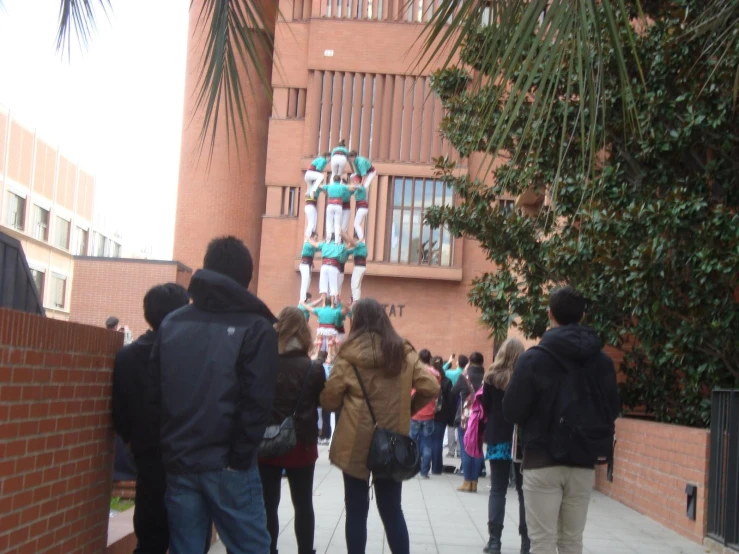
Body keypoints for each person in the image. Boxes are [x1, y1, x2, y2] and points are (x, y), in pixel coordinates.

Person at [148, 236, 278, 554]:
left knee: (185, 547)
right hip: (228, 465)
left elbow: (154, 395)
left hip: (180, 459)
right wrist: (239, 458)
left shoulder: (172, 324)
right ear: (245, 280)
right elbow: (257, 402)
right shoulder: (256, 327)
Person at [503, 286, 620, 554]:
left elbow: (512, 411)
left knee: (542, 542)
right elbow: (612, 407)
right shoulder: (602, 362)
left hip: (542, 460)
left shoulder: (533, 359)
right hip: (583, 461)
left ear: (550, 314)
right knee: (571, 542)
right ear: (582, 316)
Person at [320, 298, 439, 554]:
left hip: (354, 443)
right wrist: (407, 409)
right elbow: (430, 387)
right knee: (392, 511)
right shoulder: (404, 353)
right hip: (392, 442)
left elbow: (329, 400)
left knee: (355, 511)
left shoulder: (348, 356)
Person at [112, 284, 191, 554]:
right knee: (189, 535)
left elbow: (120, 412)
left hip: (147, 456)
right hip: (187, 456)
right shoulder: (191, 356)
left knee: (149, 535)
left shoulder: (127, 356)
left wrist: (132, 441)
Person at [258, 308, 327, 554]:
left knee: (268, 504)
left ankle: (270, 549)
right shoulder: (313, 368)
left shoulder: (264, 363)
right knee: (303, 504)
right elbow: (320, 402)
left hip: (267, 441)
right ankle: (305, 551)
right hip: (301, 441)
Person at [482, 338, 529, 554]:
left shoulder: (490, 378)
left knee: (498, 489)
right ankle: (526, 543)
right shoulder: (525, 377)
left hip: (497, 436)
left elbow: (486, 407)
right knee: (523, 492)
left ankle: (494, 541)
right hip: (520, 440)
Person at [451, 351, 485, 492]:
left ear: (470, 361)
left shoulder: (464, 376)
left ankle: (467, 481)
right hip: (481, 417)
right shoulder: (486, 377)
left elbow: (453, 392)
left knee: (466, 449)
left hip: (465, 417)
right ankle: (474, 482)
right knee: (477, 448)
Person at [409, 349, 439, 479]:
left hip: (415, 411)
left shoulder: (415, 371)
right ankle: (424, 471)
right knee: (427, 442)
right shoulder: (436, 373)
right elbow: (437, 393)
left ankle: (410, 468)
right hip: (429, 412)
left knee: (411, 441)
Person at [431, 356, 455, 475]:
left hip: (428, 413)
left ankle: (423, 466)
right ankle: (436, 467)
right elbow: (450, 401)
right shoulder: (446, 381)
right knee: (437, 441)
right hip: (442, 415)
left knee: (425, 441)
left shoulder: (429, 379)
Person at [445, 354, 467, 458]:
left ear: (458, 362)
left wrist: (449, 362)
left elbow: (441, 370)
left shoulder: (451, 373)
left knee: (450, 427)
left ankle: (450, 451)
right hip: (462, 402)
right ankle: (459, 451)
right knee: (460, 427)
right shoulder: (466, 374)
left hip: (451, 401)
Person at [324, 176, 351, 244]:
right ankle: (337, 241)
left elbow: (322, 187)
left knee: (329, 223)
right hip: (338, 205)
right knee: (337, 224)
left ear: (333, 180)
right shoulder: (342, 186)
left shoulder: (329, 186)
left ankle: (328, 240)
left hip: (330, 204)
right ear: (340, 181)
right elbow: (349, 188)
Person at [299, 234, 320, 304]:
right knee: (305, 282)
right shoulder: (307, 244)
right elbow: (316, 245)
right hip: (305, 264)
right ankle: (302, 299)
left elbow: (319, 247)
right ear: (311, 238)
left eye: (317, 239)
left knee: (307, 282)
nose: (316, 240)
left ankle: (304, 297)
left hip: (308, 265)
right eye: (315, 238)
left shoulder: (312, 245)